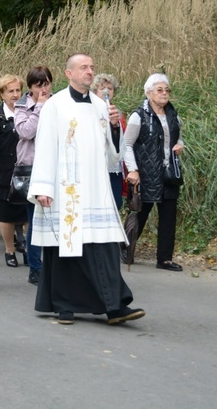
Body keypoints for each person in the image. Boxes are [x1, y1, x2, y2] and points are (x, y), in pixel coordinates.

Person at [29, 53, 145, 326]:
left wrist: (116, 128)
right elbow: (44, 147)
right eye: (84, 67)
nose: (90, 72)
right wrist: (43, 187)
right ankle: (64, 306)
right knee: (66, 250)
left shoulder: (100, 106)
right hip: (65, 188)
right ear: (69, 73)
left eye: (92, 67)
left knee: (103, 247)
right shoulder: (54, 105)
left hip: (95, 189)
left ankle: (115, 306)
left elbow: (113, 156)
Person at [124, 73, 185, 271]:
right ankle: (125, 248)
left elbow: (179, 137)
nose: (164, 94)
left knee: (169, 217)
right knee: (141, 213)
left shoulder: (173, 114)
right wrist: (133, 170)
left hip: (169, 173)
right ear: (149, 93)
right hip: (146, 173)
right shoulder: (138, 116)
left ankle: (164, 259)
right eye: (160, 90)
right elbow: (127, 144)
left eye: (167, 90)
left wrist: (180, 146)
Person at [0, 75, 28, 268]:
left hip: (25, 170)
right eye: (10, 91)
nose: (15, 94)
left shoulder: (28, 113)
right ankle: (9, 250)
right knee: (6, 215)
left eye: (18, 90)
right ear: (1, 94)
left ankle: (28, 249)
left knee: (26, 213)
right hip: (3, 172)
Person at [14, 66, 52, 285]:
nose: (44, 89)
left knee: (53, 218)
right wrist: (39, 107)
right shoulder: (22, 106)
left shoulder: (57, 103)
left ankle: (54, 265)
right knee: (35, 220)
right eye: (39, 85)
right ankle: (35, 267)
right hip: (32, 169)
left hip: (53, 167)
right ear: (31, 87)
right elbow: (25, 132)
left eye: (46, 84)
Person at [92, 74, 127, 209]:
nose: (106, 91)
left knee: (115, 203)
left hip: (112, 165)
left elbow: (123, 139)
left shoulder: (117, 112)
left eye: (110, 88)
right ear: (95, 92)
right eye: (102, 88)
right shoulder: (90, 110)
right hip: (96, 164)